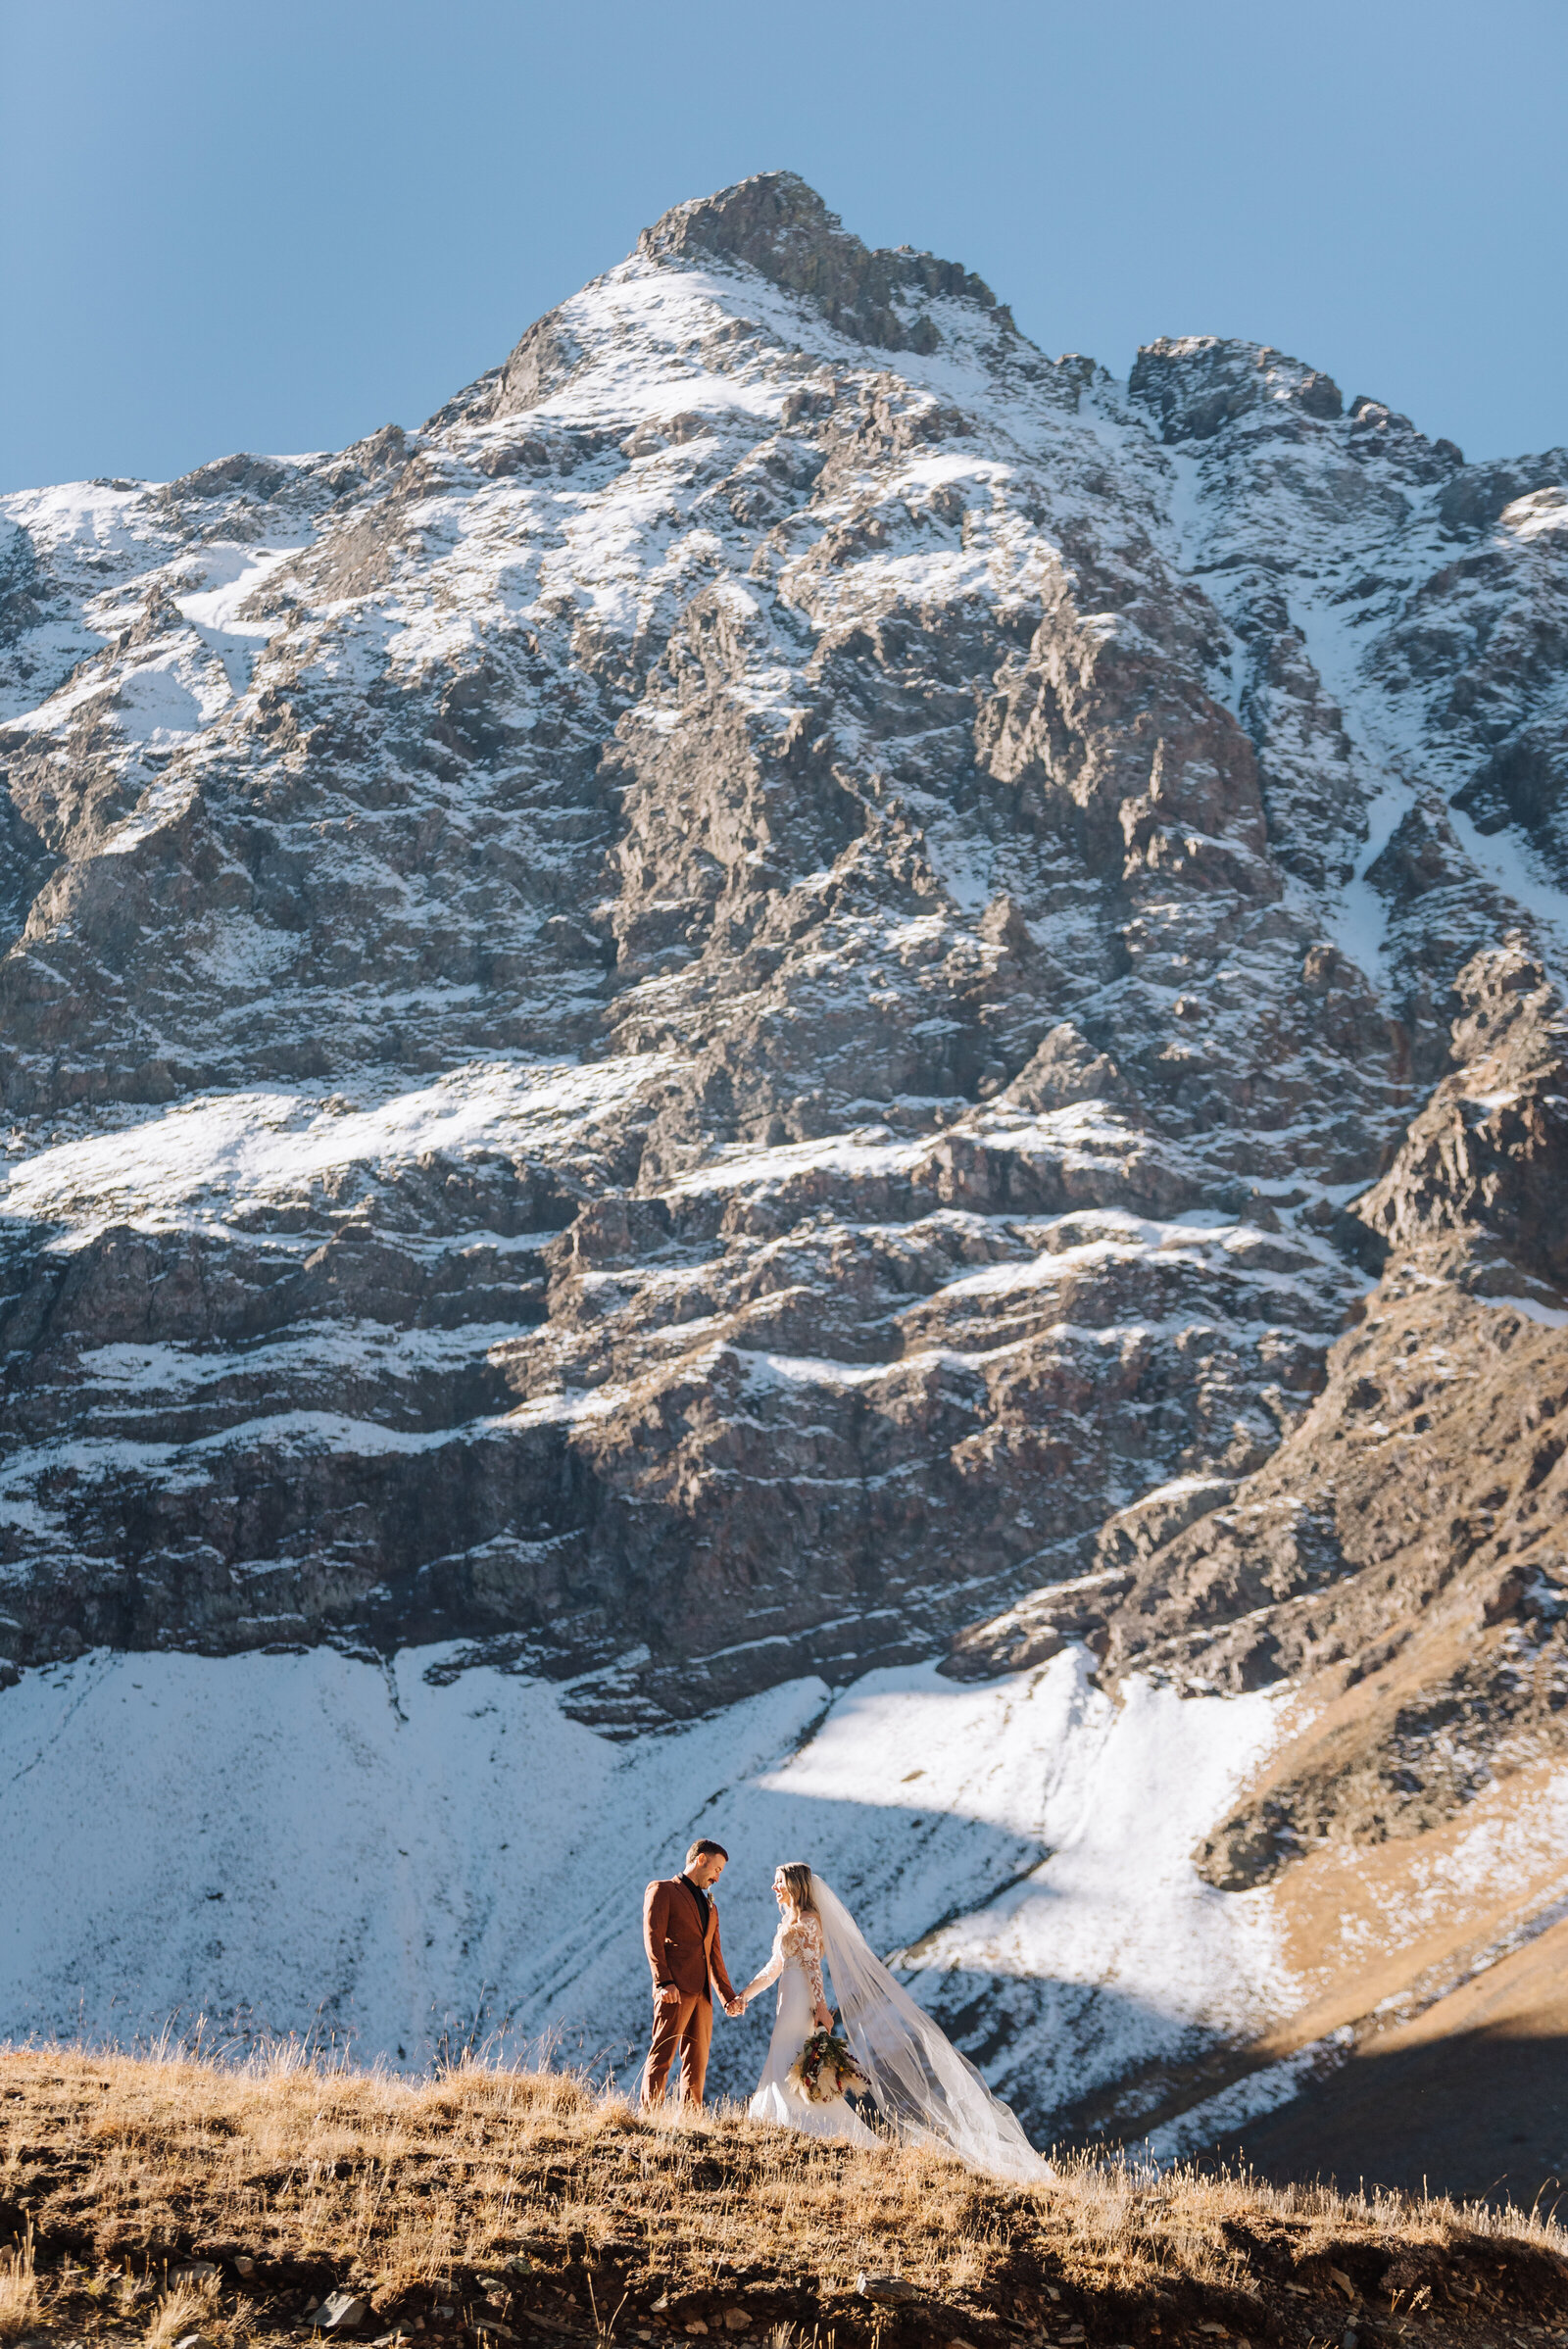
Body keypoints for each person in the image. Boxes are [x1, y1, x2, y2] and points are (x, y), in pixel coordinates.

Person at [735, 1863, 1054, 2183]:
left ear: (795, 1885)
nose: (774, 1888)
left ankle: (795, 2120)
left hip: (801, 2000)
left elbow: (813, 1969)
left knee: (788, 2057)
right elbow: (773, 1968)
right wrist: (744, 1995)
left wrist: (820, 2007)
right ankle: (785, 2119)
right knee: (784, 2057)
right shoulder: (787, 1924)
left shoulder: (809, 1921)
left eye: (779, 1882)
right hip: (785, 1998)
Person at [641, 1837, 743, 2107]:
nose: (718, 1878)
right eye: (717, 1869)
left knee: (697, 2064)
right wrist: (664, 1981)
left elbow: (714, 1955)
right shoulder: (662, 1890)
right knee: (663, 2055)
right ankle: (650, 2115)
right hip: (673, 1989)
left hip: (703, 1996)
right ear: (701, 1860)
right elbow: (652, 1939)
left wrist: (727, 1996)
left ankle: (691, 2120)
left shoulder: (711, 1907)